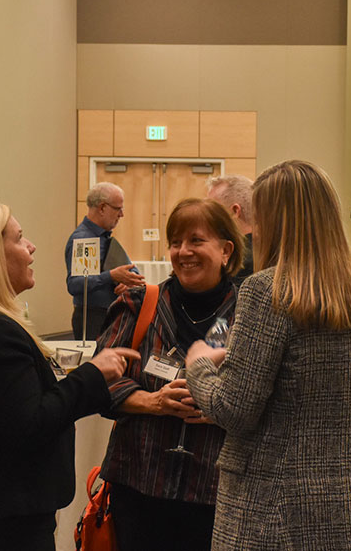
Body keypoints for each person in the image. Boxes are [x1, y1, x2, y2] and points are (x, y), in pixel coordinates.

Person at [184, 160, 351, 551]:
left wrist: (198, 367)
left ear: (274, 222)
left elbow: (235, 409)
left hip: (271, 509)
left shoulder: (268, 292)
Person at [0, 204, 138, 551]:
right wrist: (94, 374)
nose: (31, 247)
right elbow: (30, 423)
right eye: (19, 239)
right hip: (1, 518)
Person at [95, 197, 243, 551]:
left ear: (225, 250)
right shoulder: (137, 303)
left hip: (217, 491)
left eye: (196, 240)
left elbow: (266, 393)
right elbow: (99, 380)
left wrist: (217, 407)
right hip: (140, 486)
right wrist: (153, 402)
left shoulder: (250, 316)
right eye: (175, 242)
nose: (183, 251)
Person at [65, 182, 144, 339]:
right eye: (118, 209)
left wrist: (125, 281)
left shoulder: (103, 237)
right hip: (92, 318)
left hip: (108, 315)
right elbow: (75, 284)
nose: (121, 214)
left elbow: (130, 270)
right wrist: (112, 276)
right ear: (102, 208)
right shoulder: (84, 239)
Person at [206, 174, 254, 286]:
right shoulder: (269, 252)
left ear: (234, 211)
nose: (206, 217)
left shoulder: (235, 262)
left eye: (211, 210)